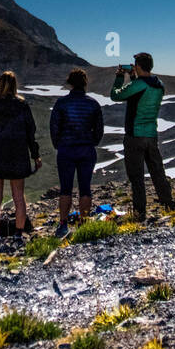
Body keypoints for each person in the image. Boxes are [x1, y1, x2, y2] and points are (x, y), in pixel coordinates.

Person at [0, 71, 42, 235]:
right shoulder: (22, 105)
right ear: (15, 86)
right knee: (19, 197)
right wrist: (35, 155)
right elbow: (30, 132)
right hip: (18, 155)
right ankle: (19, 233)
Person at [110, 52, 175, 218]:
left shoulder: (139, 84)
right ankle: (168, 203)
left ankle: (140, 211)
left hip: (134, 136)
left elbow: (116, 95)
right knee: (157, 171)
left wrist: (120, 77)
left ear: (138, 66)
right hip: (151, 135)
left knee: (136, 176)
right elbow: (140, 94)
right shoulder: (159, 84)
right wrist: (134, 78)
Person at [49, 68, 104, 238]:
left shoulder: (61, 103)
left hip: (66, 149)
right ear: (85, 83)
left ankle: (63, 224)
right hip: (86, 149)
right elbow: (99, 130)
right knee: (85, 188)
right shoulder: (93, 104)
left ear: (70, 83)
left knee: (65, 188)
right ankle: (84, 223)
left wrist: (59, 144)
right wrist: (91, 142)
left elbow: (54, 127)